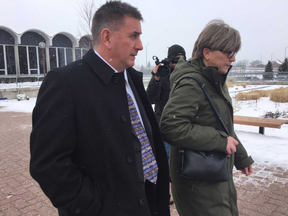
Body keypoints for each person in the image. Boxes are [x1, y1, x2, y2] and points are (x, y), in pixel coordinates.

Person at [29, 2, 170, 216]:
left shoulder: (132, 78)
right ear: (107, 37)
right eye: (133, 36)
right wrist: (95, 206)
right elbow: (48, 165)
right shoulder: (66, 82)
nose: (140, 45)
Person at [160, 19, 254, 216]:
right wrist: (220, 141)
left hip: (214, 172)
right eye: (228, 53)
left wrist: (241, 156)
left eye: (234, 53)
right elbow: (171, 125)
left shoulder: (215, 81)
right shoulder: (192, 83)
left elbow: (222, 124)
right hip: (197, 180)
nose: (233, 59)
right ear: (207, 52)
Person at [146, 44, 186, 157]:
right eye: (176, 60)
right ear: (169, 60)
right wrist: (156, 79)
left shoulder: (188, 75)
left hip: (184, 129)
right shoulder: (163, 73)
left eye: (182, 60)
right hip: (164, 129)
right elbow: (150, 98)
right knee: (166, 165)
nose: (179, 63)